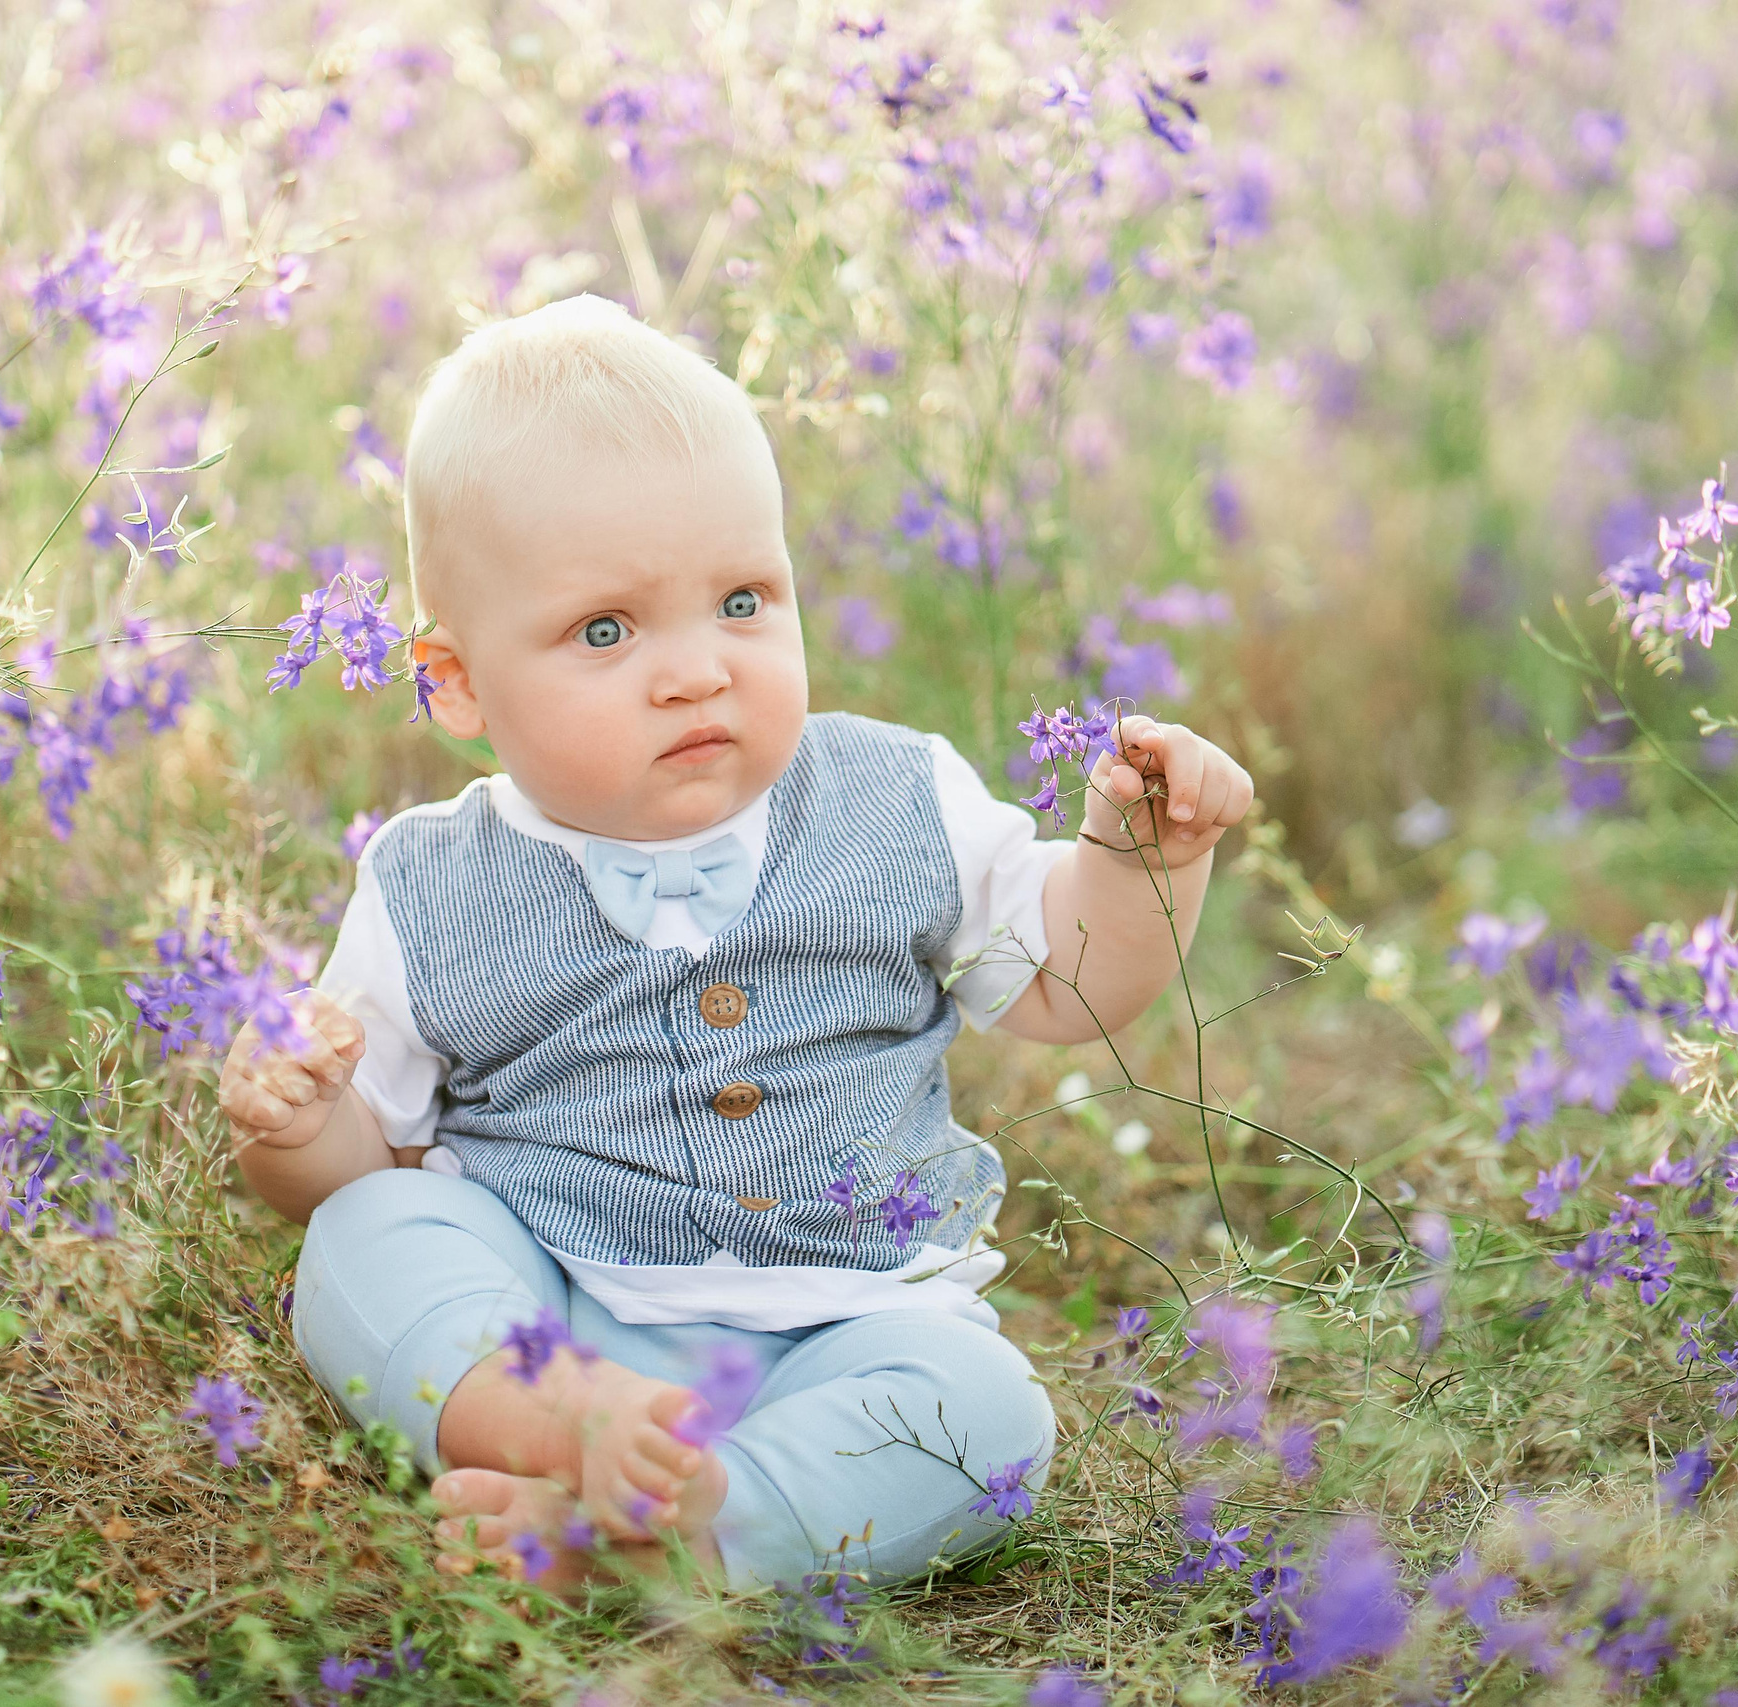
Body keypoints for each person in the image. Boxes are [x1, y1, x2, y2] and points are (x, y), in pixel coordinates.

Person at [223, 293, 1253, 1592]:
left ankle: (691, 1530)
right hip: (554, 1303)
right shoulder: (430, 882)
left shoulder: (897, 798)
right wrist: (295, 1125)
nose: (698, 669)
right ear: (457, 683)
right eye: (607, 630)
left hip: (852, 1324)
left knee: (986, 1413)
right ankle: (544, 1428)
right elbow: (358, 1164)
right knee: (368, 1239)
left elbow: (1072, 989)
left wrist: (1140, 862)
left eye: (743, 599)